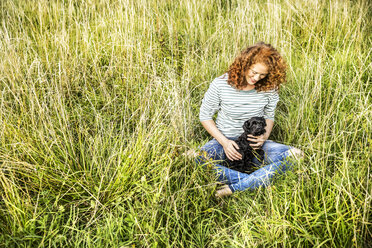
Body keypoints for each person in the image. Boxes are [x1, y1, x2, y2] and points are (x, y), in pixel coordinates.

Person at [196, 42, 304, 197]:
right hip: (224, 142)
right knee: (193, 160)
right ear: (244, 64)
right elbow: (205, 116)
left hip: (255, 145)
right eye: (253, 72)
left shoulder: (269, 88)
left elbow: (269, 116)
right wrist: (225, 143)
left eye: (262, 75)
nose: (256, 78)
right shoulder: (220, 84)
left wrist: (264, 137)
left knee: (297, 156)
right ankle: (254, 181)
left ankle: (232, 188)